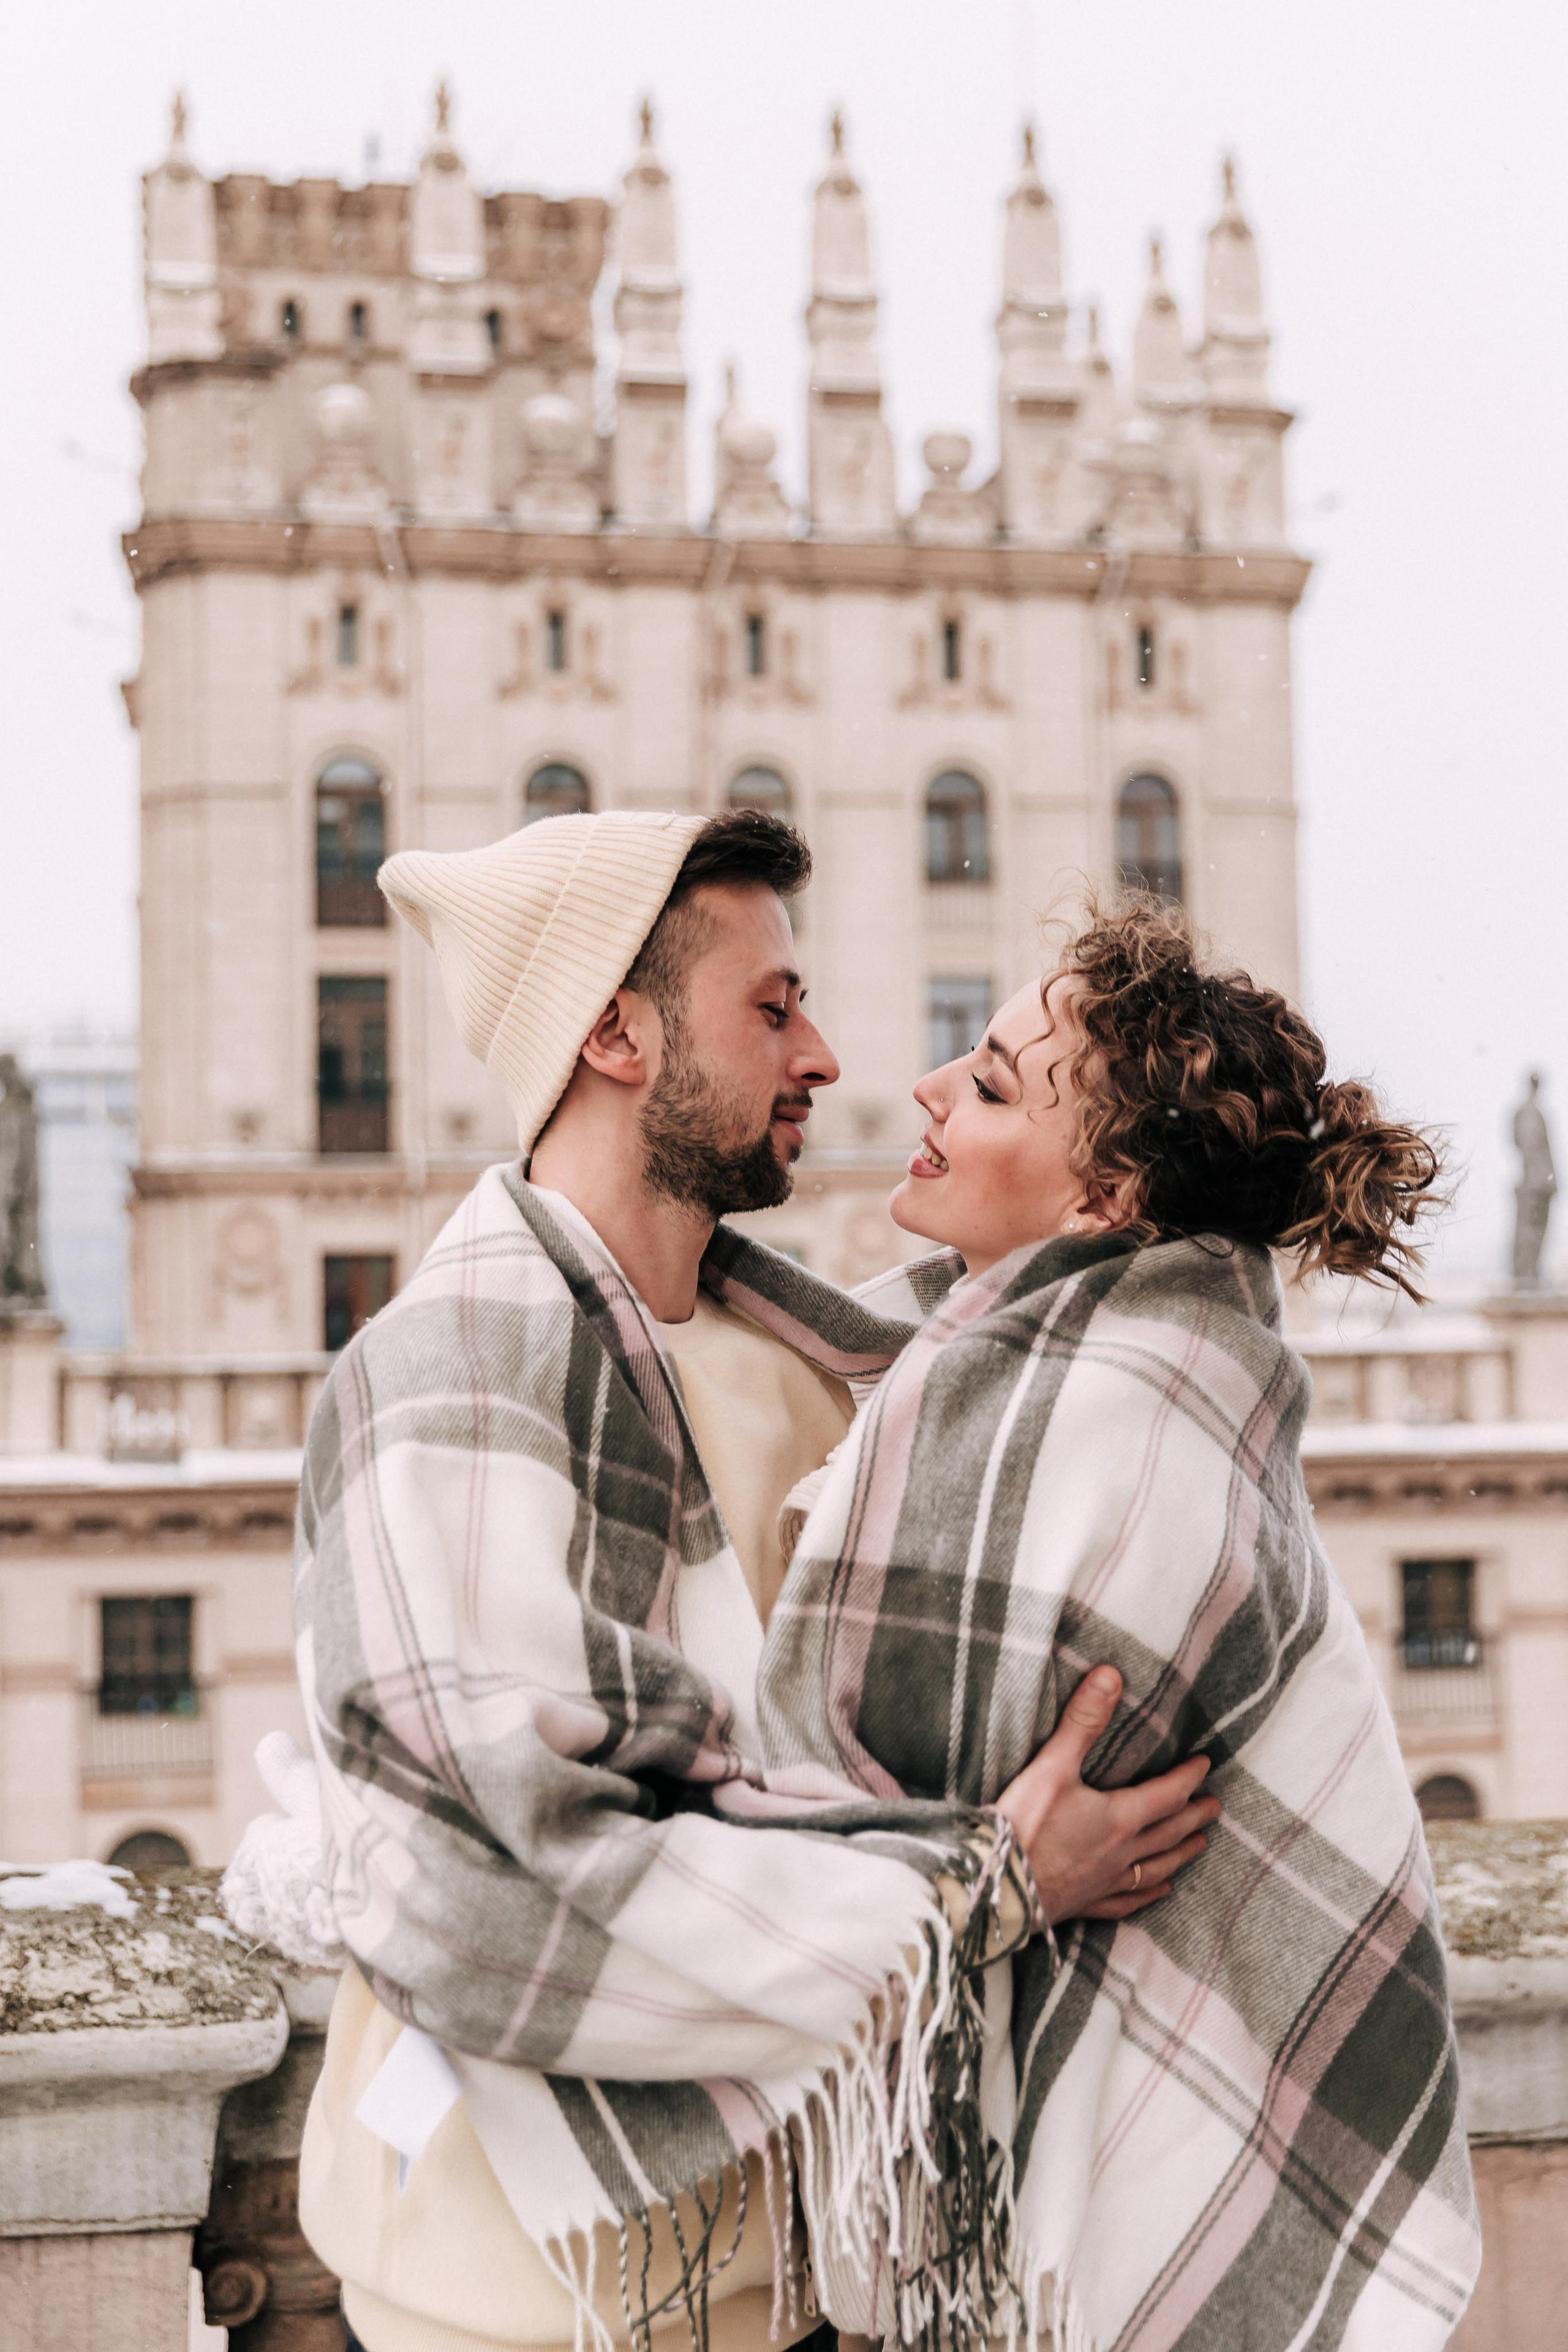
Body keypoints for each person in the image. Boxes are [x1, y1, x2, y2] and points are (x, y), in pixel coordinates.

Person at [228, 810, 1215, 2352]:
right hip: (511, 2307)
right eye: (769, 1008)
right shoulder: (450, 1380)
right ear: (616, 1035)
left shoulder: (833, 1375)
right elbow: (497, 1892)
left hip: (816, 2276)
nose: (822, 1056)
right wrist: (985, 1884)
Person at [745, 896, 1482, 2348]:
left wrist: (993, 1868)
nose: (927, 1089)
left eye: (989, 1084)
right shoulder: (1045, 1368)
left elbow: (813, 1831)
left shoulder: (1116, 1410)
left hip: (1068, 2251)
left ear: (1105, 1197)